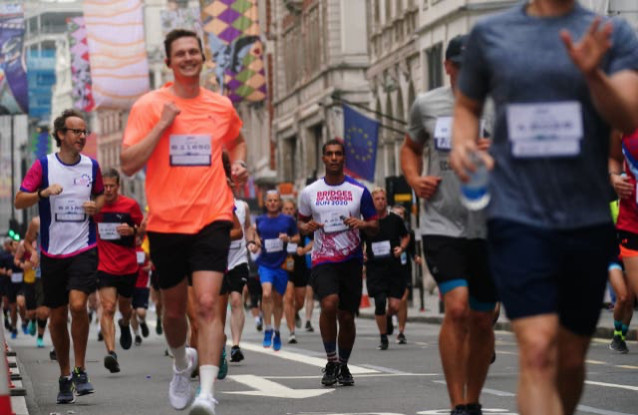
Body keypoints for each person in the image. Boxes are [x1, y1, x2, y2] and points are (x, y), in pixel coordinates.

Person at [449, 2, 638, 414]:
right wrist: (463, 144)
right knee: (536, 352)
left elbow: (628, 115)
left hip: (585, 218)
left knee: (569, 360)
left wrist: (593, 75)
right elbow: (466, 107)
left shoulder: (611, 34)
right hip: (517, 216)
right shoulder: (491, 34)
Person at [120, 28, 247, 415]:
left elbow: (236, 139)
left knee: (207, 304)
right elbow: (128, 163)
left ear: (202, 58)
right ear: (169, 62)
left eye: (194, 52)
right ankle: (180, 363)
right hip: (167, 222)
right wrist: (162, 125)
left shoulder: (220, 106)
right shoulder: (149, 106)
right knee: (174, 312)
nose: (189, 58)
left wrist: (239, 162)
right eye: (181, 53)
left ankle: (206, 393)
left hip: (213, 215)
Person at [402, 35, 498, 415]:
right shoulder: (427, 104)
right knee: (457, 308)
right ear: (447, 66)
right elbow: (410, 147)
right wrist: (414, 179)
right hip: (442, 221)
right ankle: (457, 403)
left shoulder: (498, 104)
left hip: (489, 224)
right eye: (459, 65)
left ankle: (473, 401)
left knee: (482, 318)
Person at [15, 108, 104, 404]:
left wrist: (97, 206)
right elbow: (19, 200)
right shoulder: (43, 166)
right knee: (56, 315)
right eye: (76, 131)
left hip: (84, 247)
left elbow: (101, 195)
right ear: (61, 135)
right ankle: (65, 376)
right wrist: (42, 194)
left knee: (78, 305)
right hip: (52, 252)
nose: (82, 136)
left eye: (84, 131)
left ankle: (80, 369)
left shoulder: (92, 166)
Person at [298, 138, 379, 387]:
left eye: (338, 154)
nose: (334, 158)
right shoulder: (309, 192)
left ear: (344, 158)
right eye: (329, 154)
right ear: (323, 158)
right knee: (329, 303)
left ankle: (343, 365)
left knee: (346, 316)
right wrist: (306, 227)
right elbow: (300, 222)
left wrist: (362, 224)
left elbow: (375, 225)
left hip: (351, 259)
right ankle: (331, 361)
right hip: (323, 258)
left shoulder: (359, 191)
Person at [93, 168, 144, 373]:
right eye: (104, 186)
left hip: (128, 266)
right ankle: (111, 353)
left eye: (111, 186)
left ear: (118, 186)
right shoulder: (95, 207)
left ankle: (125, 323)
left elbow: (142, 229)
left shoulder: (130, 205)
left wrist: (132, 230)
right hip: (104, 266)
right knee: (107, 308)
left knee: (125, 308)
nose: (107, 190)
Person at [248, 190, 299, 351]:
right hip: (265, 264)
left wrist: (288, 238)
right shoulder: (260, 220)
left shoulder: (288, 220)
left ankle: (276, 331)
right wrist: (254, 244)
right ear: (265, 203)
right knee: (266, 294)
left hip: (282, 265)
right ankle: (268, 328)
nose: (272, 203)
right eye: (269, 200)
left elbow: (297, 237)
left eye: (275, 200)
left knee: (278, 299)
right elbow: (254, 235)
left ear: (280, 202)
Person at [362, 188, 409, 350]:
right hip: (375, 269)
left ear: (386, 201)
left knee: (395, 306)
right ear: (372, 202)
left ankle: (388, 317)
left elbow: (406, 236)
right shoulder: (367, 222)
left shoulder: (395, 220)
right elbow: (359, 241)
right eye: (377, 199)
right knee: (380, 302)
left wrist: (401, 248)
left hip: (393, 268)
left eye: (383, 198)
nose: (380, 201)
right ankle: (383, 337)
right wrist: (363, 253)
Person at [282, 199, 311, 344]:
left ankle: (295, 312)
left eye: (291, 209)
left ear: (295, 211)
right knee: (288, 296)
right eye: (286, 209)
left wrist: (304, 250)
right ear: (282, 211)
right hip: (284, 264)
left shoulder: (301, 226)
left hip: (300, 264)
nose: (288, 211)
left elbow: (315, 240)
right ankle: (292, 332)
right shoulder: (278, 225)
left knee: (300, 301)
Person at [390, 204, 420, 344]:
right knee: (392, 303)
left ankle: (401, 331)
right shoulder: (386, 229)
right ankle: (389, 317)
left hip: (404, 269)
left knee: (403, 300)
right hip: (389, 269)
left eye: (401, 214)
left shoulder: (409, 232)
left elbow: (412, 250)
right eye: (396, 214)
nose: (399, 217)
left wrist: (416, 257)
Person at [22, 216, 50, 349]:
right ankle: (37, 330)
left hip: (62, 270)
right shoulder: (37, 222)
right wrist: (33, 253)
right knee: (38, 311)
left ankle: (47, 339)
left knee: (57, 311)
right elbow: (26, 242)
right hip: (39, 274)